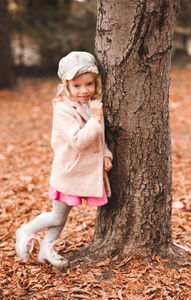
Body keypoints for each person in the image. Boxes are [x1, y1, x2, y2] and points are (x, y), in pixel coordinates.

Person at [15, 51, 113, 267]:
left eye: (89, 84)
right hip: (68, 171)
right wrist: (96, 120)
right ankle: (25, 230)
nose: (84, 90)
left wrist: (106, 154)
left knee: (62, 217)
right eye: (76, 86)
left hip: (83, 171)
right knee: (57, 216)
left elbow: (100, 137)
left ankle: (45, 252)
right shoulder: (62, 109)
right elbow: (78, 141)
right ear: (66, 85)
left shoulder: (93, 105)